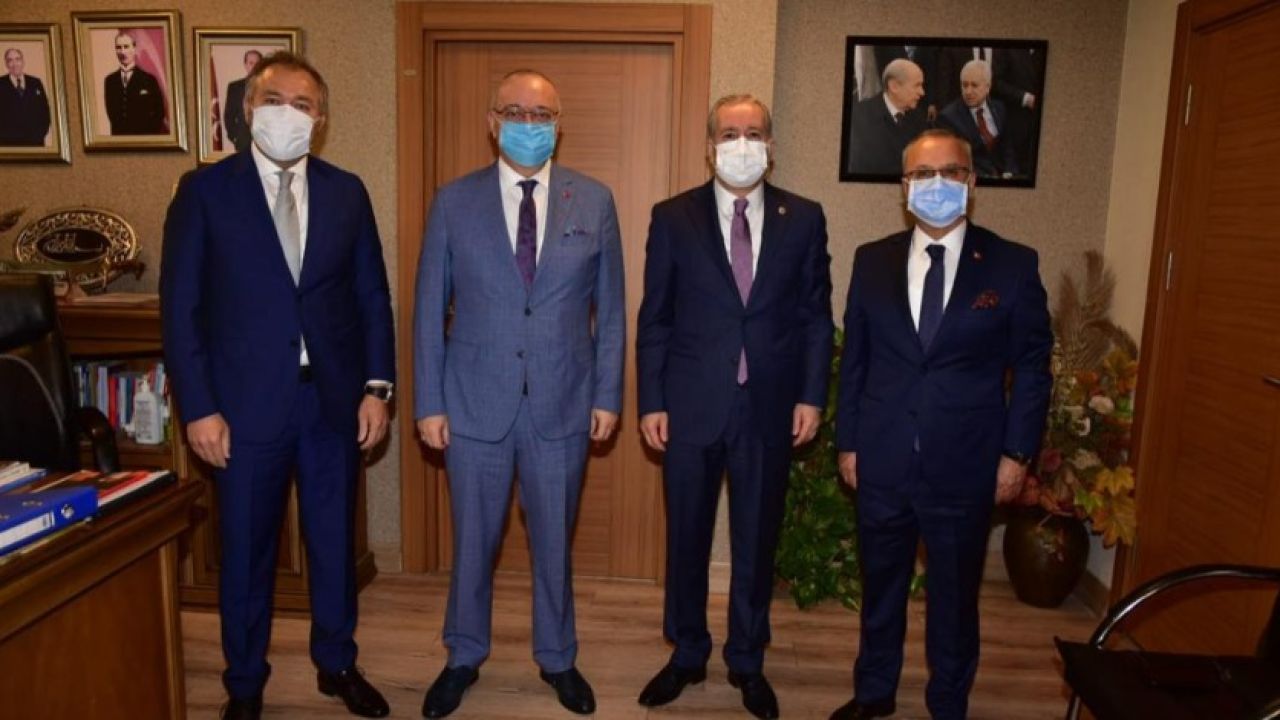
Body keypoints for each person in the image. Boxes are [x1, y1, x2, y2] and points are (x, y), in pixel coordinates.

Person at [161, 51, 394, 720]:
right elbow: (181, 309)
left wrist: (377, 388)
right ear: (247, 108)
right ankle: (244, 683)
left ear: (320, 120)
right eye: (273, 100)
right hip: (241, 410)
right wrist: (199, 408)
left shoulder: (347, 191)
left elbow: (371, 296)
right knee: (245, 552)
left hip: (332, 403)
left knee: (333, 544)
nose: (287, 113)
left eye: (303, 104)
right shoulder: (204, 192)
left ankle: (337, 663)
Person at [413, 69, 624, 719]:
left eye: (541, 114)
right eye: (514, 111)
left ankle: (558, 657)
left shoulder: (594, 201)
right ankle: (463, 654)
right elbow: (428, 310)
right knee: (473, 542)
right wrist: (429, 402)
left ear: (559, 125)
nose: (528, 124)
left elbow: (613, 310)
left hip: (563, 404)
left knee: (554, 542)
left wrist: (608, 395)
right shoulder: (453, 202)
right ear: (491, 121)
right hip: (473, 404)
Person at [830, 129, 1052, 720]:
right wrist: (848, 442)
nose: (936, 184)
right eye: (921, 174)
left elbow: (1033, 369)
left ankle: (948, 701)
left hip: (966, 464)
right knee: (881, 588)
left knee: (954, 598)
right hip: (882, 457)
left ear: (971, 183)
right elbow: (856, 362)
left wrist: (1017, 455)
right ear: (903, 187)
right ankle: (874, 692)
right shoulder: (872, 260)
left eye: (949, 172)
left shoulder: (1012, 265)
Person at [636, 94, 834, 720]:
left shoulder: (804, 218)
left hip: (770, 407)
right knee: (687, 536)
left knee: (756, 540)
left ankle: (747, 660)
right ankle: (687, 653)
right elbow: (655, 318)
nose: (741, 143)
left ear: (770, 145)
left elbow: (815, 317)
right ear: (709, 146)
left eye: (753, 132)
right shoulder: (672, 217)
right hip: (690, 406)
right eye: (729, 133)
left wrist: (811, 395)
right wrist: (651, 400)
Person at [845, 59, 928, 177]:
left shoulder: (918, 117)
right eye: (917, 85)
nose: (922, 92)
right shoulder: (858, 118)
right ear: (894, 86)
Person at [938, 60, 1018, 179]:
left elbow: (1007, 148)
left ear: (988, 87)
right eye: (964, 85)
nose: (968, 91)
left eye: (974, 85)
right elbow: (956, 161)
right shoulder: (948, 118)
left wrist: (1010, 172)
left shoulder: (999, 108)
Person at [103, 31, 166, 135]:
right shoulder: (110, 81)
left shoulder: (149, 80)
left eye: (126, 47)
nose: (122, 52)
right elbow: (112, 115)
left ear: (134, 48)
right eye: (118, 47)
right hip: (119, 140)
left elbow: (160, 113)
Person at [0, 48, 51, 146]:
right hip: (9, 145)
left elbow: (45, 111)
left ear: (23, 62)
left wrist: (39, 135)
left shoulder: (36, 82)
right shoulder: (1, 84)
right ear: (6, 64)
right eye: (10, 60)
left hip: (35, 144)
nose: (14, 64)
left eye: (17, 59)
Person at [224, 49, 263, 152]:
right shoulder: (234, 87)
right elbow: (229, 115)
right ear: (245, 65)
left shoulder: (269, 87)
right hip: (242, 140)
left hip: (264, 139)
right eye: (251, 63)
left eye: (257, 63)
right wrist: (234, 137)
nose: (254, 66)